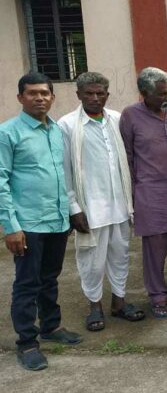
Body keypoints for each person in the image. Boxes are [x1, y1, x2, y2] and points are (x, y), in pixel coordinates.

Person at [1, 73, 82, 371]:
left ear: (52, 97)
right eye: (32, 93)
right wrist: (11, 227)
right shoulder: (8, 133)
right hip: (28, 224)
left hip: (57, 220)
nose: (39, 98)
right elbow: (1, 181)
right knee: (27, 283)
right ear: (20, 97)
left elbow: (62, 174)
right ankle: (27, 342)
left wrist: (69, 212)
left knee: (50, 277)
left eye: (44, 93)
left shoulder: (56, 130)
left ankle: (51, 326)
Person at [59, 72, 143, 332]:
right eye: (89, 93)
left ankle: (119, 302)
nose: (95, 98)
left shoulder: (117, 119)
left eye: (100, 93)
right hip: (90, 208)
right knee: (91, 261)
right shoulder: (67, 125)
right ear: (79, 95)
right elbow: (64, 170)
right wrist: (73, 208)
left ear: (107, 94)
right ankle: (94, 306)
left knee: (120, 255)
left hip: (120, 204)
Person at [120, 67, 167, 319]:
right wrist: (131, 194)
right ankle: (158, 296)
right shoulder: (130, 116)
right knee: (155, 250)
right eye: (161, 93)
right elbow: (126, 158)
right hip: (150, 194)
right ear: (144, 93)